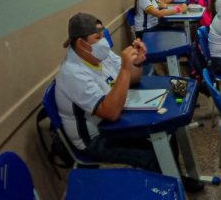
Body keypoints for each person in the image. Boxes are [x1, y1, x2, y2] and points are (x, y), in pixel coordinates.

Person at [54, 13, 201, 191]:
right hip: (94, 139)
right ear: (81, 44)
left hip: (114, 122)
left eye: (103, 34)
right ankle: (164, 191)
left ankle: (175, 179)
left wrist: (136, 63)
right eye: (97, 37)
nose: (103, 42)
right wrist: (125, 68)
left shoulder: (100, 55)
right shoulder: (73, 73)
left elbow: (133, 79)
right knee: (151, 154)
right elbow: (110, 112)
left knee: (167, 132)